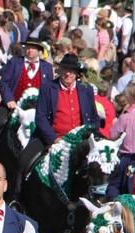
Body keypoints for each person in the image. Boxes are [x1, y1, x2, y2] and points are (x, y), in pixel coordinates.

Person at [12, 53, 101, 200]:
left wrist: (88, 135)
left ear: (77, 74)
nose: (68, 74)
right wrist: (53, 139)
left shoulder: (86, 90)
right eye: (65, 69)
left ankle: (98, 199)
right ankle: (18, 199)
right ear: (60, 70)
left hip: (80, 141)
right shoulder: (48, 87)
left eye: (72, 71)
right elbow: (40, 118)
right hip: (52, 138)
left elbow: (94, 119)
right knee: (24, 161)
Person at [0, 38, 53, 149]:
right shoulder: (14, 62)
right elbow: (4, 83)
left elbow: (50, 89)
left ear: (39, 50)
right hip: (13, 105)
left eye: (33, 48)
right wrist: (9, 99)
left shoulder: (47, 67)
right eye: (28, 47)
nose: (30, 50)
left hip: (38, 109)